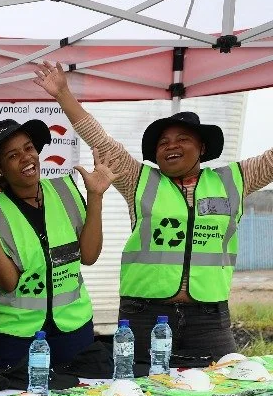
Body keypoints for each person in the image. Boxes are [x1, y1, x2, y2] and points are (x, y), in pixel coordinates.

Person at [35, 61, 273, 365]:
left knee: (221, 392)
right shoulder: (140, 180)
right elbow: (100, 141)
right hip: (144, 316)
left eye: (182, 139)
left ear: (202, 147)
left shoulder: (235, 179)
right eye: (163, 142)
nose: (171, 146)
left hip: (209, 319)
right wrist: (64, 94)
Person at [0, 118, 114, 369]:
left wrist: (95, 196)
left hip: (74, 328)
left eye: (29, 148)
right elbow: (8, 282)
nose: (26, 157)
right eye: (12, 155)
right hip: (17, 336)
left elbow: (89, 255)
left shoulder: (66, 190)